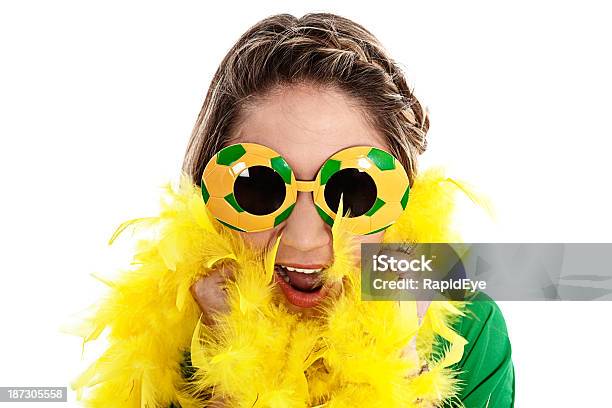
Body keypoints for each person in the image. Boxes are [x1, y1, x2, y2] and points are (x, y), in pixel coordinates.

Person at [182, 13, 514, 407]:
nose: (304, 239)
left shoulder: (468, 329)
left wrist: (399, 366)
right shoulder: (170, 328)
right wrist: (228, 378)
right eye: (258, 186)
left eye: (352, 190)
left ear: (406, 196)